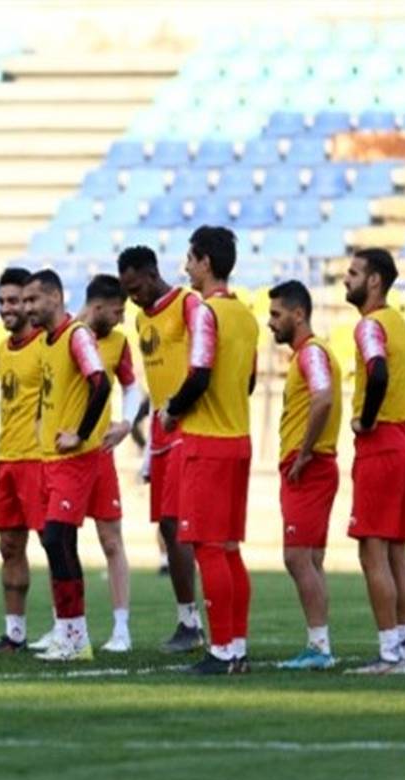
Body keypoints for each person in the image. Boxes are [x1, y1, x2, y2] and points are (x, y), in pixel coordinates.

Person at [159, 226, 258, 676]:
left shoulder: (206, 313)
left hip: (207, 443)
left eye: (190, 258)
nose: (185, 267)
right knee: (230, 548)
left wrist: (172, 411)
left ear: (205, 262)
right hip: (238, 438)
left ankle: (220, 652)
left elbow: (199, 373)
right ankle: (236, 647)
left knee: (208, 548)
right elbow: (248, 381)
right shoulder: (247, 316)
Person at [116, 245, 206, 652]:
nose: (133, 297)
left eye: (136, 288)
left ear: (153, 275)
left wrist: (179, 409)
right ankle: (188, 621)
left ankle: (215, 627)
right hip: (161, 431)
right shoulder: (140, 318)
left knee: (190, 527)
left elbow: (204, 363)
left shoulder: (188, 305)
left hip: (191, 425)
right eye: (127, 291)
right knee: (169, 527)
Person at [341, 248, 405, 675]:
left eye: (354, 273)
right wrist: (403, 402)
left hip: (381, 447)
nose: (346, 279)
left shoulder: (370, 325)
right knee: (396, 555)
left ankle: (391, 654)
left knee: (372, 553)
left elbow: (376, 371)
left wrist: (369, 418)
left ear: (374, 280)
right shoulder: (399, 324)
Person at [20, 269, 110, 662]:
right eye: (24, 301)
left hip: (75, 460)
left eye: (33, 300)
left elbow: (100, 382)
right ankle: (70, 635)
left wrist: (80, 433)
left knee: (57, 539)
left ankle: (75, 638)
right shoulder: (46, 341)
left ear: (55, 297)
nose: (27, 308)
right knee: (58, 543)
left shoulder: (77, 336)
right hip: (50, 460)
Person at [267, 280, 342, 670]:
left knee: (297, 557)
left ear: (298, 315)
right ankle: (320, 644)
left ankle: (319, 648)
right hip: (312, 465)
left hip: (309, 466)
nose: (270, 322)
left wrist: (306, 450)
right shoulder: (310, 354)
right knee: (310, 559)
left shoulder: (311, 353)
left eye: (276, 314)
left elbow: (323, 398)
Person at [0, 267, 45, 653]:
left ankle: (69, 628)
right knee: (8, 545)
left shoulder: (47, 345)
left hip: (38, 460)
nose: (6, 308)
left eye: (14, 301)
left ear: (30, 303)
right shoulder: (1, 351)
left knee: (54, 544)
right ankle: (15, 633)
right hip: (6, 458)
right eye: (2, 301)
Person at [79, 274, 142, 652]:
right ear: (98, 306)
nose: (121, 319)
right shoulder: (62, 335)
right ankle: (66, 626)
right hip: (62, 457)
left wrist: (126, 423)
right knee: (58, 541)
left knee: (111, 539)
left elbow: (132, 386)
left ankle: (121, 630)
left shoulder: (118, 343)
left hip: (99, 455)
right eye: (118, 311)